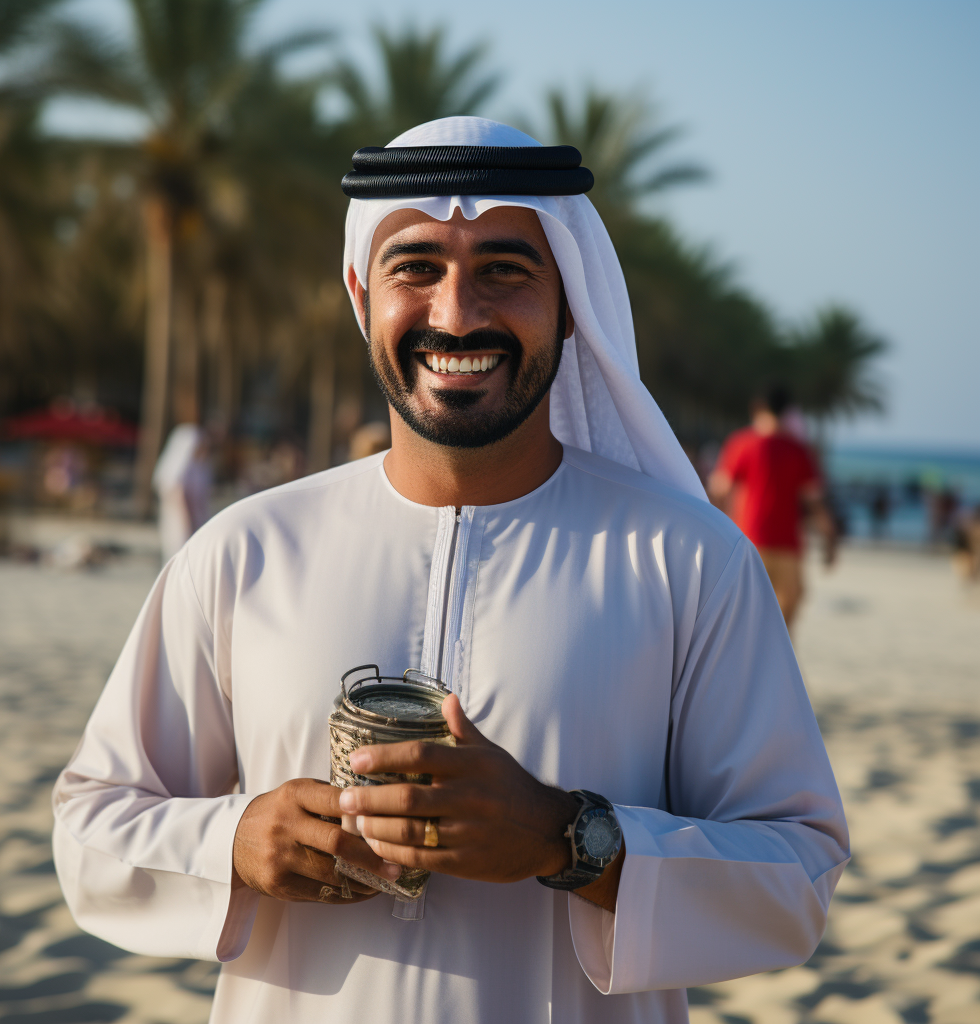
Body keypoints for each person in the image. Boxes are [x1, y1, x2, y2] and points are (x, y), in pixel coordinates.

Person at [52, 118, 848, 1024]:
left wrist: (568, 840)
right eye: (416, 267)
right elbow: (91, 827)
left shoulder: (686, 562)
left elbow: (799, 875)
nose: (458, 312)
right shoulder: (244, 553)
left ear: (569, 299)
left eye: (506, 270)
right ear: (362, 290)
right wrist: (235, 838)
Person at [709, 386, 837, 628]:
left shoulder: (741, 444)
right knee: (783, 624)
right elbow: (815, 504)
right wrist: (830, 541)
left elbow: (718, 492)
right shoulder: (799, 450)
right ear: (787, 411)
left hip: (748, 542)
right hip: (789, 546)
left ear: (757, 408)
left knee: (746, 617)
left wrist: (715, 535)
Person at [151, 423, 212, 563]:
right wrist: (190, 523)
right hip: (180, 518)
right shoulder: (179, 467)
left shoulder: (199, 466)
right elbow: (178, 495)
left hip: (197, 516)